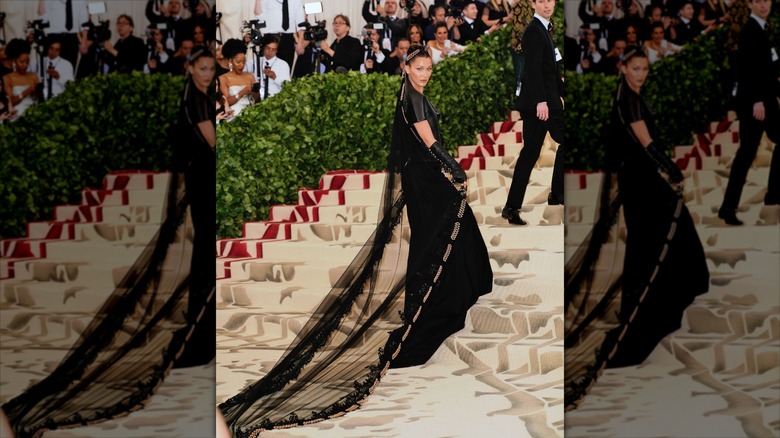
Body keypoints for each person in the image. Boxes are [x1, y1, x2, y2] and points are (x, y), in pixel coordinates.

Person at [218, 44, 493, 435]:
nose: (425, 73)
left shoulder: (411, 94)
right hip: (428, 179)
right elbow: (429, 141)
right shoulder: (413, 99)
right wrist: (454, 169)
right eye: (419, 67)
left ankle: (460, 287)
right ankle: (438, 301)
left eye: (428, 67)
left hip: (424, 178)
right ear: (406, 68)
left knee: (447, 236)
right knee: (442, 237)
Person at [1, 46, 216, 437]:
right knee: (202, 264)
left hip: (201, 187)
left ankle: (199, 342)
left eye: (210, 69)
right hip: (204, 189)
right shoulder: (199, 102)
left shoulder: (193, 96)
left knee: (203, 263)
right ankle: (197, 344)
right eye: (202, 68)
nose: (207, 74)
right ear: (190, 68)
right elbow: (213, 144)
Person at [564, 46, 709, 410]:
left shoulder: (630, 96)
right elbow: (647, 145)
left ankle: (669, 296)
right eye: (635, 67)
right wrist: (672, 172)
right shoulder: (629, 101)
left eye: (645, 67)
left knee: (660, 243)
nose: (641, 73)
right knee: (655, 245)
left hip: (642, 184)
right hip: (644, 186)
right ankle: (645, 313)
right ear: (623, 68)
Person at [502, 0, 564, 225]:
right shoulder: (533, 31)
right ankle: (557, 194)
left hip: (542, 101)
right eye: (541, 1)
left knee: (529, 154)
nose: (547, 5)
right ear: (533, 4)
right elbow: (533, 70)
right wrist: (541, 101)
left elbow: (551, 70)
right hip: (542, 103)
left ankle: (511, 207)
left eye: (550, 0)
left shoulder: (544, 29)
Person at [718, 0, 779, 223]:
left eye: (766, 1)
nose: (764, 5)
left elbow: (768, 67)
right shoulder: (749, 31)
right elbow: (747, 69)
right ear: (750, 4)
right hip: (757, 104)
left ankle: (773, 194)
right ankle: (728, 208)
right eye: (758, 1)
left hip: (767, 102)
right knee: (746, 155)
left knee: (748, 153)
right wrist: (757, 101)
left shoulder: (763, 28)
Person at [218, 38, 258, 118]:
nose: (241, 65)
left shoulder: (250, 76)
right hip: (235, 115)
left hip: (252, 113)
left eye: (244, 62)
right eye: (238, 62)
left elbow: (257, 100)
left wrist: (254, 93)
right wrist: (242, 92)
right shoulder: (223, 78)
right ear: (230, 61)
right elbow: (226, 102)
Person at [2, 39, 39, 120]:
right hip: (18, 114)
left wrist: (37, 92)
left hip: (35, 112)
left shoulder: (34, 76)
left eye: (27, 62)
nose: (25, 65)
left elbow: (40, 98)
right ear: (15, 61)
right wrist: (25, 93)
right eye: (22, 62)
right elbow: (10, 101)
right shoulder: (6, 78)